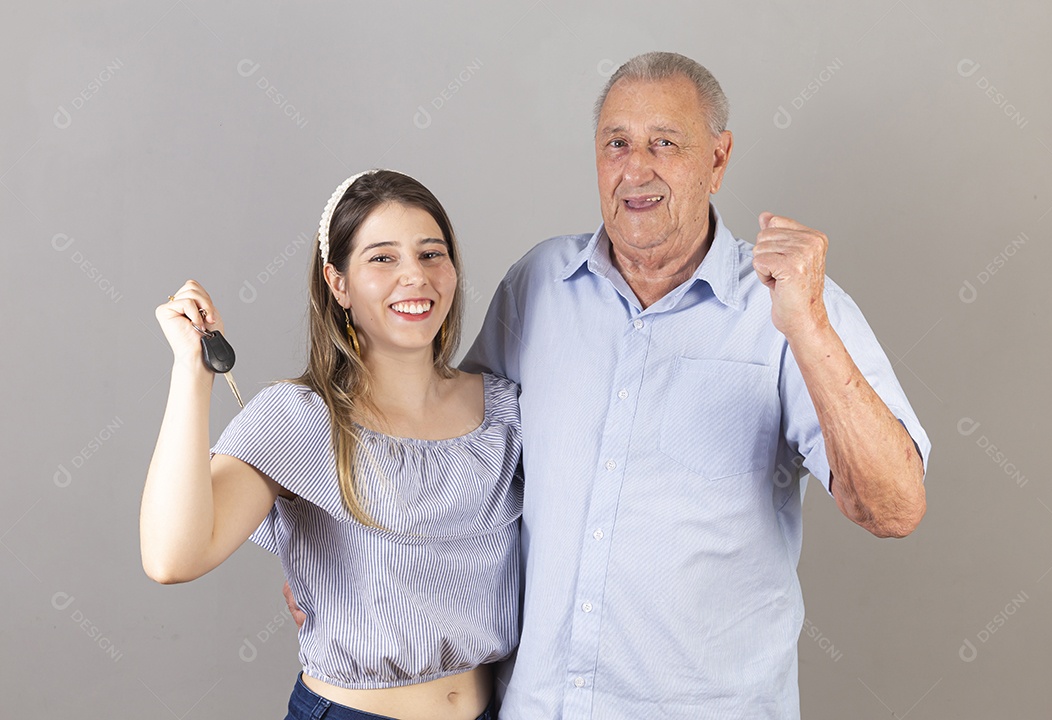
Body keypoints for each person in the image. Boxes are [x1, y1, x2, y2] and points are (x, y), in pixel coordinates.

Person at [457, 52, 931, 718]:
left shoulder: (790, 308)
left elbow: (894, 508)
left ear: (717, 158)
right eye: (617, 143)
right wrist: (352, 569)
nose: (636, 169)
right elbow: (459, 467)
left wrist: (809, 326)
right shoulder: (536, 285)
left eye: (665, 144)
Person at [140, 169, 523, 720]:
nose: (415, 276)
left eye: (431, 254)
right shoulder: (299, 417)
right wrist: (190, 371)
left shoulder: (508, 411)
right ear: (337, 282)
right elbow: (171, 557)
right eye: (382, 258)